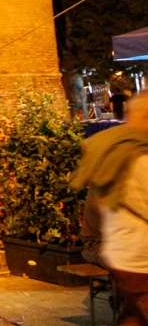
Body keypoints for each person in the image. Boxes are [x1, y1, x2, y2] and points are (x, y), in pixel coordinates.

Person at [73, 92, 148, 325]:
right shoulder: (137, 157)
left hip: (122, 253)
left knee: (134, 317)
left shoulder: (116, 149)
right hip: (139, 258)